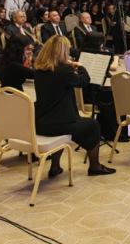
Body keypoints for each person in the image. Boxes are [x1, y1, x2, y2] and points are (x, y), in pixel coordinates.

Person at [33, 35, 116, 177]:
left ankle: (55, 167)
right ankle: (95, 166)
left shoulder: (39, 70)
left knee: (75, 123)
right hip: (58, 124)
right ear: (62, 51)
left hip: (40, 122)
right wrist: (81, 66)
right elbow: (83, 81)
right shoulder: (64, 70)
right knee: (93, 125)